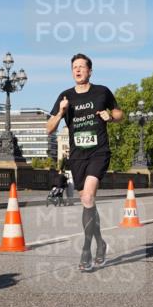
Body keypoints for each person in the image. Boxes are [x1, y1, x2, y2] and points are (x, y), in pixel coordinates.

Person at [47, 53, 124, 271]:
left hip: (98, 151)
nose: (78, 70)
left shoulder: (102, 91)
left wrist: (111, 116)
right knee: (87, 202)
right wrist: (61, 112)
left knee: (89, 196)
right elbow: (49, 128)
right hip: (77, 156)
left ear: (90, 70)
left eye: (82, 66)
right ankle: (101, 244)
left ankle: (86, 250)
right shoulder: (65, 96)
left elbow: (120, 114)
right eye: (74, 67)